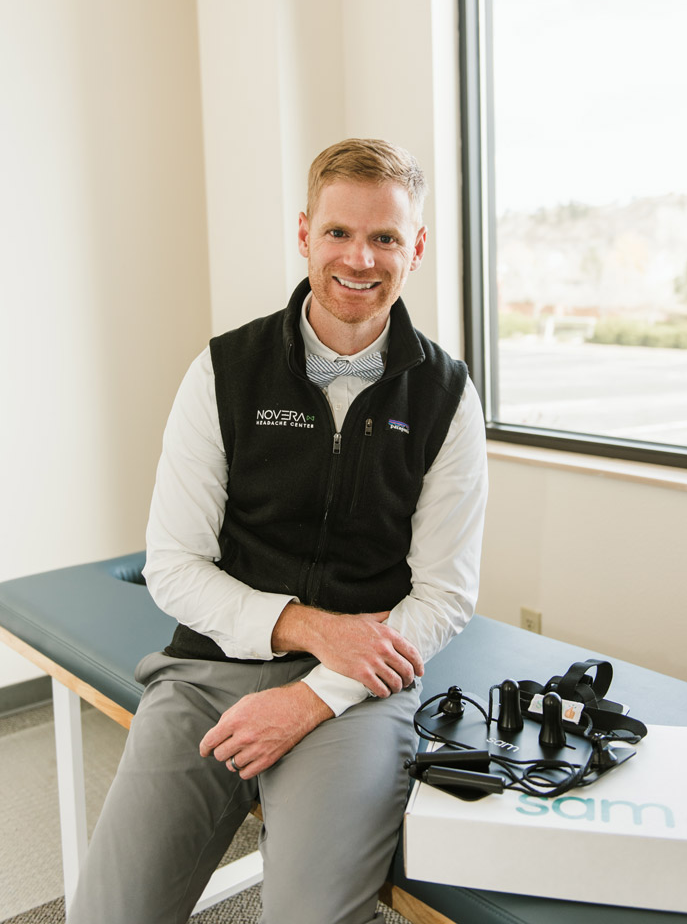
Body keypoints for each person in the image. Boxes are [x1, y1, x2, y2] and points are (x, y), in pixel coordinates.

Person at [68, 138, 488, 924]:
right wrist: (307, 627)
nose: (359, 258)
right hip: (208, 675)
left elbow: (443, 595)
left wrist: (313, 697)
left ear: (416, 248)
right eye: (338, 232)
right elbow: (175, 566)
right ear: (304, 234)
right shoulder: (224, 371)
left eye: (386, 237)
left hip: (359, 689)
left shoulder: (446, 395)